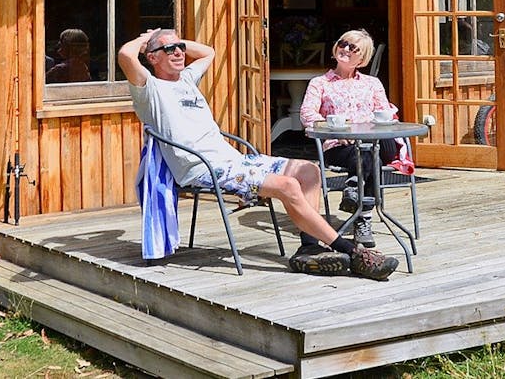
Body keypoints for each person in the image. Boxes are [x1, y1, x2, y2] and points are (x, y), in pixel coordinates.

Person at [120, 28, 398, 280]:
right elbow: (125, 54)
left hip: (234, 161)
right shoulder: (149, 90)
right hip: (204, 168)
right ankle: (351, 252)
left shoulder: (187, 80)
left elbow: (208, 52)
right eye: (169, 50)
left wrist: (170, 40)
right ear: (152, 58)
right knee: (288, 185)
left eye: (180, 47)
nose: (179, 52)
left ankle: (309, 249)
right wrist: (147, 39)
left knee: (309, 170)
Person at [298, 29, 413, 247]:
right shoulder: (320, 83)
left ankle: (355, 191)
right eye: (343, 43)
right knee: (372, 157)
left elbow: (384, 113)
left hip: (370, 144)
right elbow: (307, 115)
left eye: (353, 48)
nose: (345, 49)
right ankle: (363, 218)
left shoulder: (372, 84)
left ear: (363, 58)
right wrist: (337, 130)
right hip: (338, 146)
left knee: (372, 152)